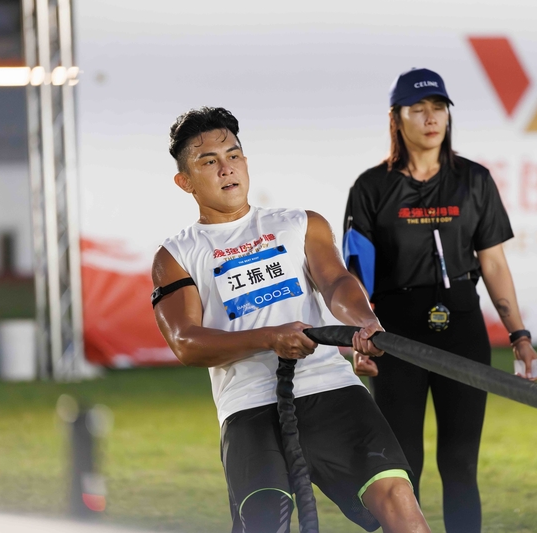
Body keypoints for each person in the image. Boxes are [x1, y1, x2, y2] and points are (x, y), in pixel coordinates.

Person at [151, 106, 430, 533]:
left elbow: (336, 282)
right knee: (267, 522)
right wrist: (269, 338)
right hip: (249, 406)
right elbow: (186, 343)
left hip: (330, 386)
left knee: (398, 500)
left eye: (233, 155)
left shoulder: (300, 223)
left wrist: (364, 322)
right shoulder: (176, 255)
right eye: (209, 161)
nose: (227, 168)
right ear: (184, 181)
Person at [343, 68, 537, 533]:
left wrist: (519, 335)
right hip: (396, 336)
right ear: (396, 118)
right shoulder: (371, 188)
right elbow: (356, 275)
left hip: (463, 332)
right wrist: (359, 337)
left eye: (439, 108)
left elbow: (494, 265)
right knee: (402, 467)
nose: (431, 118)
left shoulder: (474, 180)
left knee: (460, 463)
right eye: (418, 109)